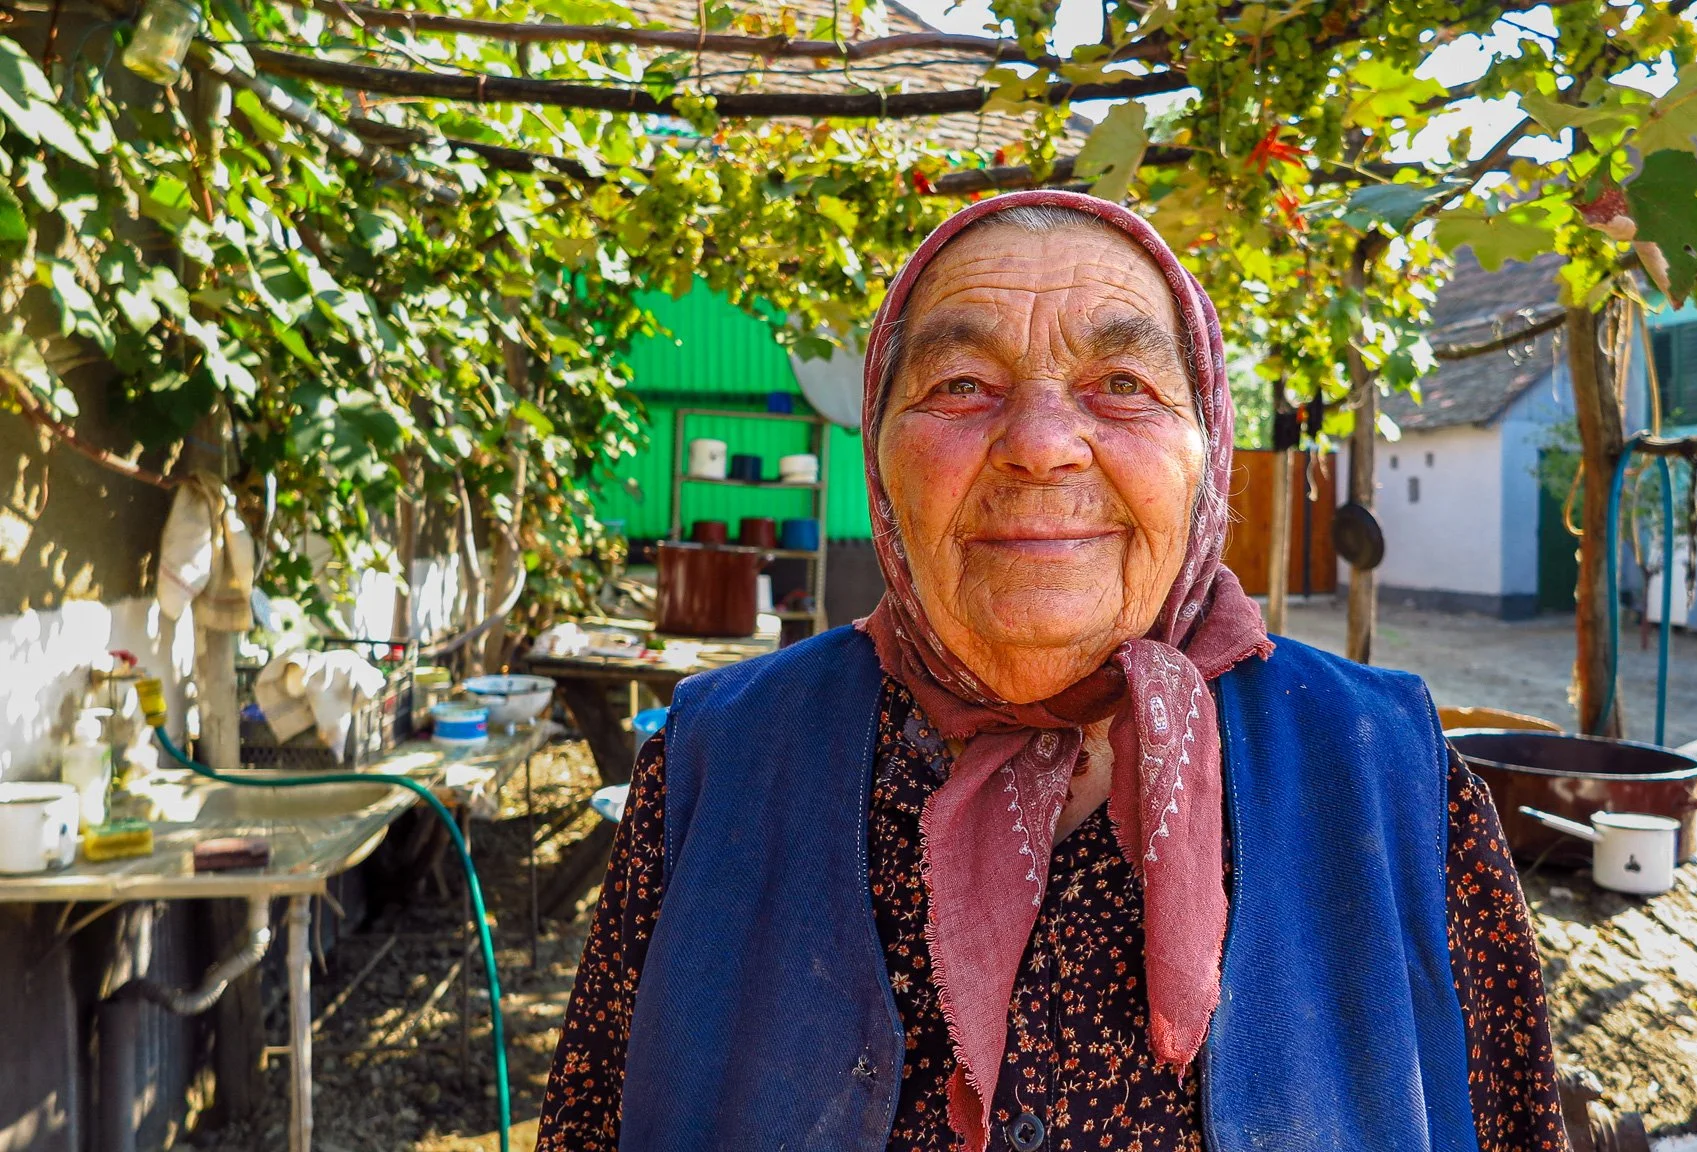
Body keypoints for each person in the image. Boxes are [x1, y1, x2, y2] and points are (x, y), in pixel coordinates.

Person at [537, 191, 1566, 1152]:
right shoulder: (719, 756)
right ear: (881, 460)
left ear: (1206, 450)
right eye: (960, 386)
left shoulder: (1386, 768)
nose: (1038, 446)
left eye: (1120, 385)